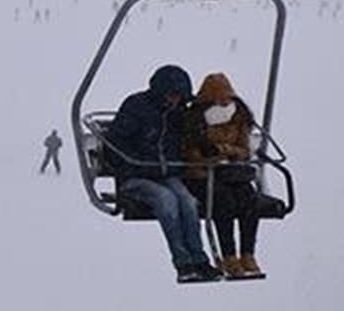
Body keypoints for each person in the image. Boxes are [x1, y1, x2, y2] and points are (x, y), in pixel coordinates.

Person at [105, 64, 222, 284]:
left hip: (165, 174)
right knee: (166, 200)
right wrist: (133, 164)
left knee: (188, 202)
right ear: (160, 91)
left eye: (179, 97)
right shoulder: (136, 107)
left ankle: (199, 260)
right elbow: (114, 143)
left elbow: (191, 133)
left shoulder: (177, 113)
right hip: (135, 176)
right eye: (171, 95)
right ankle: (183, 263)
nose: (175, 100)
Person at [182, 72, 265, 280]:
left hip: (230, 173)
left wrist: (223, 150)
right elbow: (191, 153)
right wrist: (212, 157)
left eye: (227, 98)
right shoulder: (195, 121)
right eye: (220, 99)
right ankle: (228, 255)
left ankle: (248, 253)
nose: (225, 103)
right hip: (202, 176)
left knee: (249, 200)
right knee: (223, 201)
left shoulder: (238, 117)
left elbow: (244, 150)